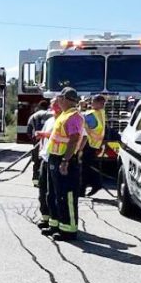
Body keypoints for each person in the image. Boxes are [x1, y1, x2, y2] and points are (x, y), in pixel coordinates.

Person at [44, 88, 84, 240]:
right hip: (55, 158)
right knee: (54, 194)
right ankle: (55, 225)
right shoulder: (64, 114)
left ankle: (68, 230)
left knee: (66, 196)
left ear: (67, 99)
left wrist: (65, 161)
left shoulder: (73, 116)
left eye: (60, 98)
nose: (58, 100)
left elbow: (73, 140)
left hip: (65, 160)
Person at [35, 99, 58, 228]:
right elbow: (44, 139)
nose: (52, 108)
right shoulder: (50, 121)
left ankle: (54, 221)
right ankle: (45, 218)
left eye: (55, 106)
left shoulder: (64, 120)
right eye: (52, 106)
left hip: (55, 158)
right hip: (45, 158)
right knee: (43, 191)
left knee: (52, 192)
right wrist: (40, 152)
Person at [79, 94, 107, 197]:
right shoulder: (101, 112)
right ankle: (95, 184)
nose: (91, 103)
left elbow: (78, 118)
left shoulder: (91, 114)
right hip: (95, 143)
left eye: (93, 102)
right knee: (89, 166)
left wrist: (80, 106)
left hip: (87, 143)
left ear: (98, 103)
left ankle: (83, 190)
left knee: (84, 168)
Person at [26, 100, 51, 188]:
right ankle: (46, 182)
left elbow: (29, 130)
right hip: (48, 143)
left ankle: (36, 181)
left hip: (37, 143)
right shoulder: (52, 115)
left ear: (39, 107)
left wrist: (34, 141)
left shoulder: (33, 116)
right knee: (46, 162)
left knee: (36, 162)